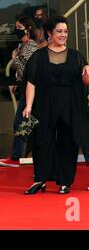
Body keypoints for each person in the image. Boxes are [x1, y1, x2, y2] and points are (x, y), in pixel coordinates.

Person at [21, 15, 89, 194]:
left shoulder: (76, 56)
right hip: (44, 104)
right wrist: (28, 105)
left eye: (65, 31)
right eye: (59, 31)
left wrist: (87, 74)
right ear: (49, 33)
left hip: (70, 104)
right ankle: (40, 179)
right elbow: (31, 82)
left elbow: (85, 82)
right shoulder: (38, 57)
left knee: (67, 142)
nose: (63, 35)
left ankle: (65, 181)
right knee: (42, 141)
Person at [0, 16, 39, 168]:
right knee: (24, 123)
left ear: (27, 29)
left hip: (33, 90)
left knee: (22, 122)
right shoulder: (21, 46)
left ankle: (17, 156)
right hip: (26, 88)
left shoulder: (31, 46)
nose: (16, 30)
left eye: (18, 27)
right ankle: (18, 155)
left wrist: (15, 59)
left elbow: (28, 69)